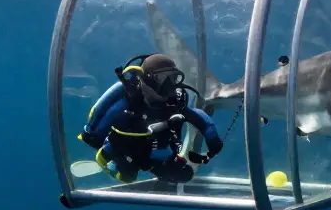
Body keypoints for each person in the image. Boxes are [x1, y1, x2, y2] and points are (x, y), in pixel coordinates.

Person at [79, 53, 223, 184]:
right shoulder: (129, 100)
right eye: (162, 79)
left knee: (184, 174)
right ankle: (106, 157)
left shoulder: (174, 101)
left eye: (173, 78)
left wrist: (212, 136)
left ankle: (157, 167)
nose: (169, 85)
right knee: (127, 176)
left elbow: (195, 115)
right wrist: (95, 138)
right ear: (146, 79)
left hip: (156, 153)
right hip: (128, 150)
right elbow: (100, 118)